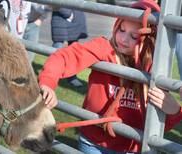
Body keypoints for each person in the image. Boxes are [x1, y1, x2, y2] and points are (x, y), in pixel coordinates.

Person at [38, 0, 182, 153]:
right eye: (121, 29)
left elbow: (157, 128)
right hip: (92, 142)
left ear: (151, 40)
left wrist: (174, 112)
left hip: (131, 147)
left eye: (134, 36)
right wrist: (48, 82)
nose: (123, 39)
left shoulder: (154, 70)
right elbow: (65, 57)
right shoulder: (104, 48)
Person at [51, 6, 88, 87]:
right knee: (57, 50)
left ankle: (72, 77)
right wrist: (69, 14)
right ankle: (51, 77)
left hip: (75, 17)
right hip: (61, 18)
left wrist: (72, 15)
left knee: (73, 51)